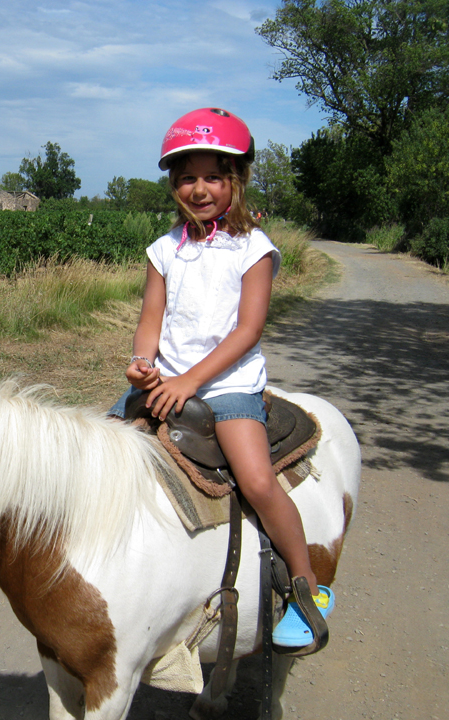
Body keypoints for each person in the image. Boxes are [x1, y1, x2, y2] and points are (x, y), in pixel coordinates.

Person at [109, 107, 333, 649]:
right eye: (188, 177)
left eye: (213, 176)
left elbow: (248, 330)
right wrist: (142, 361)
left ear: (236, 180)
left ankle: (306, 586)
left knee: (256, 481)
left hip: (228, 385)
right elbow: (152, 318)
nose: (200, 188)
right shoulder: (165, 249)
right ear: (173, 184)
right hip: (167, 381)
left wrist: (189, 382)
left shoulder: (253, 248)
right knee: (104, 451)